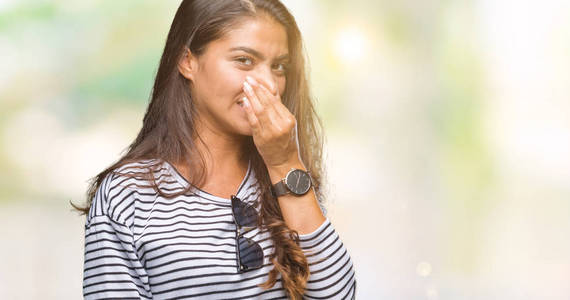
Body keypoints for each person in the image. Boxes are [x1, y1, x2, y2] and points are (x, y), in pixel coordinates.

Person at [72, 0, 357, 299]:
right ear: (187, 61)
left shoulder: (286, 178)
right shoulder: (127, 194)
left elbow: (337, 296)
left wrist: (285, 163)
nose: (270, 85)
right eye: (244, 60)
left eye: (279, 67)